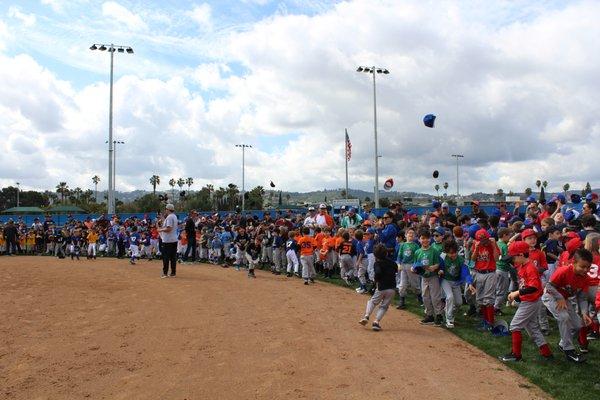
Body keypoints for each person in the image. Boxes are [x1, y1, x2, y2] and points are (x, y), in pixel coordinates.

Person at [499, 241, 553, 362]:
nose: (512, 260)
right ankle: (547, 354)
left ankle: (516, 355)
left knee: (514, 326)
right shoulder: (522, 266)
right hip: (529, 300)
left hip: (531, 301)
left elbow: (533, 287)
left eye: (513, 257)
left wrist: (516, 293)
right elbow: (526, 285)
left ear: (521, 255)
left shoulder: (530, 268)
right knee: (533, 328)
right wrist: (518, 295)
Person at [542, 248, 593, 363]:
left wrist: (584, 313)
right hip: (551, 296)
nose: (585, 270)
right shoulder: (564, 270)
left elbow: (582, 297)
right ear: (573, 263)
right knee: (564, 318)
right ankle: (569, 351)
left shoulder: (586, 278)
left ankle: (563, 344)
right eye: (582, 266)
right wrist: (559, 297)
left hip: (565, 299)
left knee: (578, 325)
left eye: (588, 267)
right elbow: (549, 286)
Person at [358, 244, 398, 331]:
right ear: (386, 253)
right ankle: (376, 322)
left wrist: (375, 282)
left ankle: (366, 316)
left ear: (375, 255)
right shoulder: (392, 263)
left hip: (381, 287)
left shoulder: (377, 263)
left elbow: (378, 273)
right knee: (384, 306)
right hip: (392, 288)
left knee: (372, 302)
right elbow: (396, 270)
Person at [439, 240, 474, 328]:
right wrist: (439, 271)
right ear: (446, 252)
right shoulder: (442, 257)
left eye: (454, 252)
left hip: (456, 282)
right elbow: (437, 266)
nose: (453, 255)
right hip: (445, 280)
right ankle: (449, 319)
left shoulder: (461, 260)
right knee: (450, 297)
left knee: (459, 303)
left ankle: (447, 312)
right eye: (450, 253)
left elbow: (466, 272)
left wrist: (469, 283)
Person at [413, 230, 443, 326]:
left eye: (427, 238)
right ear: (419, 240)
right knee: (425, 297)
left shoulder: (434, 251)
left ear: (430, 239)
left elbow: (438, 263)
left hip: (433, 276)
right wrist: (413, 268)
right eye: (422, 238)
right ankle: (429, 315)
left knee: (435, 297)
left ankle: (439, 315)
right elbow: (415, 264)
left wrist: (434, 267)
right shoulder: (417, 252)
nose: (425, 240)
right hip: (424, 277)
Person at [471, 229, 500, 328]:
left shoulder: (492, 244)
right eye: (481, 240)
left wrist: (493, 246)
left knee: (488, 299)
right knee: (480, 299)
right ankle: (485, 321)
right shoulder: (477, 244)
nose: (483, 242)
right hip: (479, 273)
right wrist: (476, 248)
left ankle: (490, 323)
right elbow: (473, 259)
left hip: (490, 273)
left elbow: (496, 259)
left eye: (485, 240)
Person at [158, 204, 178, 278]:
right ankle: (173, 273)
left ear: (168, 209)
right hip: (173, 239)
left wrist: (160, 230)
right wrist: (162, 218)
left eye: (166, 209)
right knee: (173, 257)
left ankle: (165, 273)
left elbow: (169, 229)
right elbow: (167, 225)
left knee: (166, 257)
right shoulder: (174, 216)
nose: (165, 210)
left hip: (167, 240)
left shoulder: (169, 217)